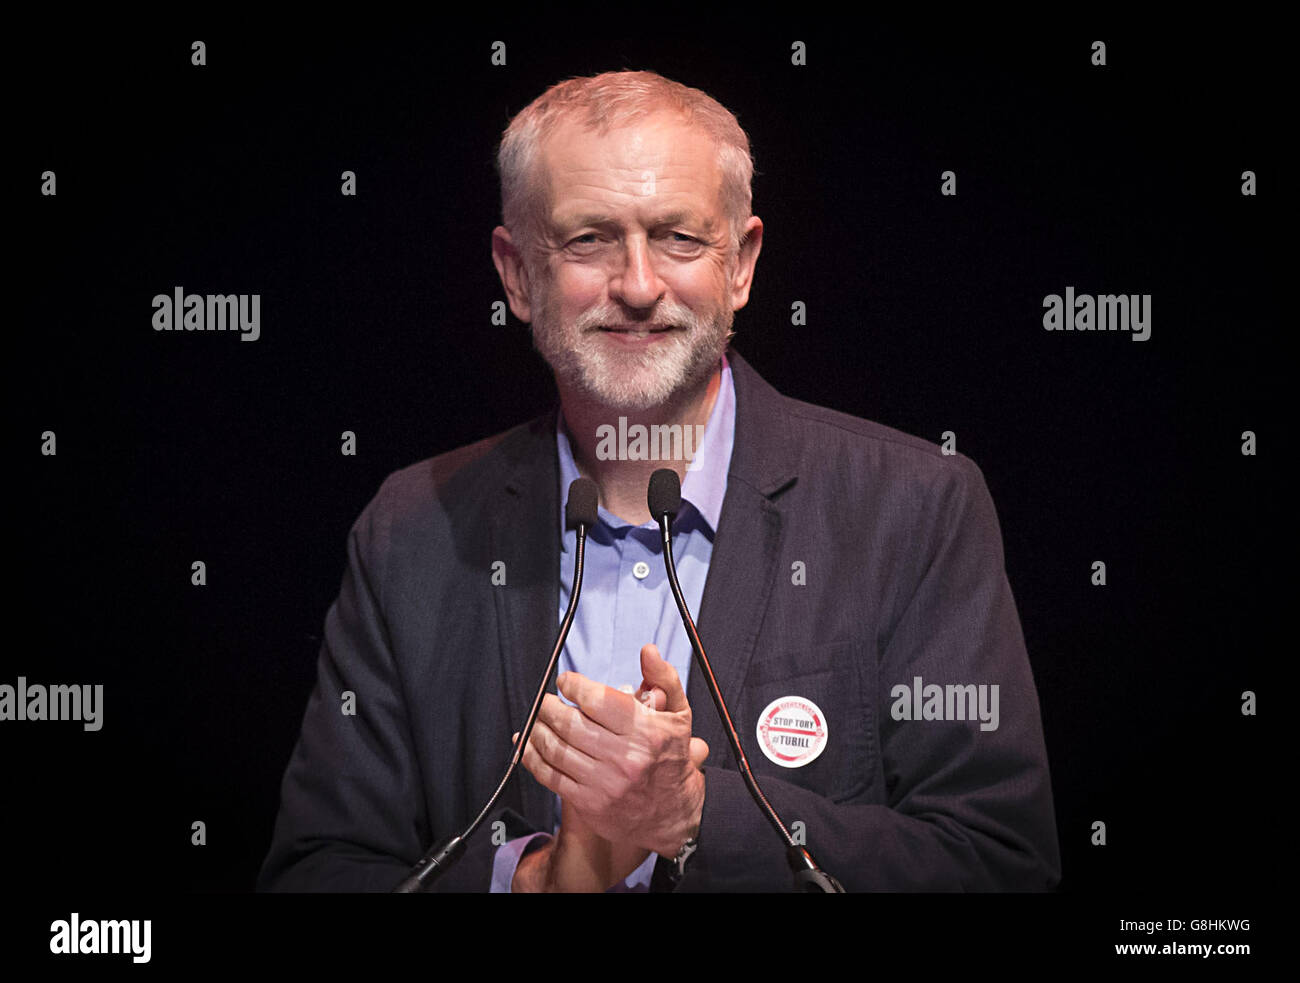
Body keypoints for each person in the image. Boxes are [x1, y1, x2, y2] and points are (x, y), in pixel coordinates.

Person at [257, 70, 1061, 893]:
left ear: (742, 263)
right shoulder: (412, 527)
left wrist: (691, 818)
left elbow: (999, 863)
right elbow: (315, 871)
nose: (639, 286)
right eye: (589, 240)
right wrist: (537, 880)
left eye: (679, 237)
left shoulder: (914, 509)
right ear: (517, 276)